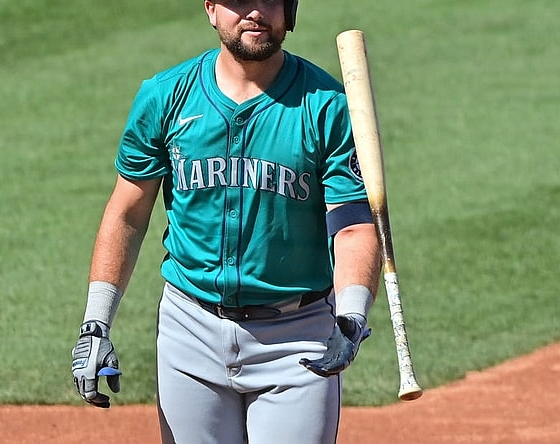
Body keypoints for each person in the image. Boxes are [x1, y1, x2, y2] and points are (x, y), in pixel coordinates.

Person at [71, 0, 381, 442]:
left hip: (297, 340)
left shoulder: (328, 107)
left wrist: (351, 314)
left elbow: (351, 226)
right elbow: (127, 213)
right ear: (212, 8)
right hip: (189, 332)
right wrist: (95, 323)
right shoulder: (165, 96)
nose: (255, 11)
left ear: (289, 11)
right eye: (239, 0)